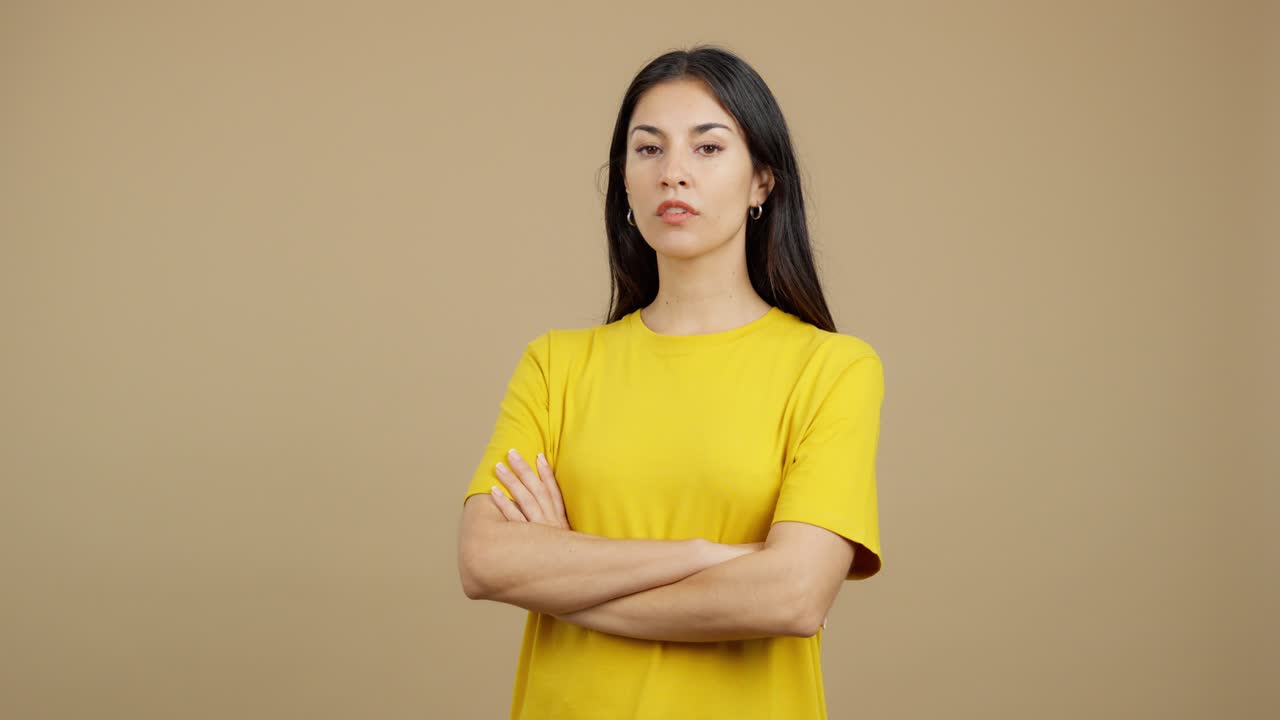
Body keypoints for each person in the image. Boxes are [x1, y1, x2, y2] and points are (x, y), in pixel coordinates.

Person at [456, 44, 886, 720]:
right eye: (648, 149)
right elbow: (485, 561)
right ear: (624, 182)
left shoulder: (833, 369)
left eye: (708, 148)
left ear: (762, 182)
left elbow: (792, 597)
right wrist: (711, 556)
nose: (673, 173)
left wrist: (563, 577)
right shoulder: (555, 364)